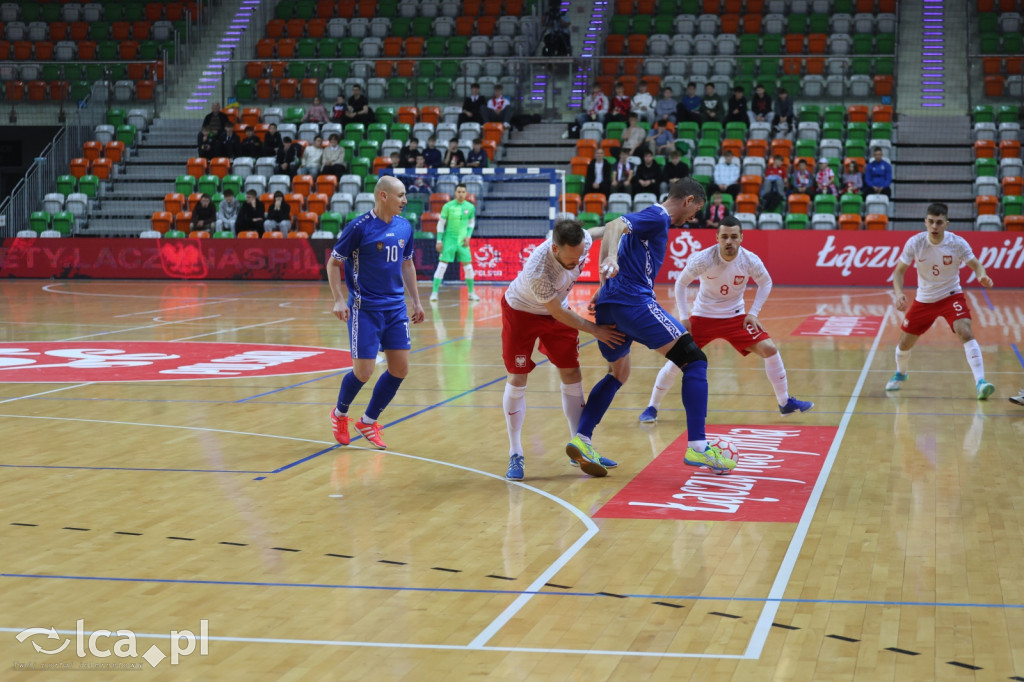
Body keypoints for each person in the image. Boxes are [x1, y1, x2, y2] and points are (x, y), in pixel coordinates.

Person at [566, 178, 736, 476]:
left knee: (619, 372)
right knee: (695, 361)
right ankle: (698, 447)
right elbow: (616, 224)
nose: (694, 216)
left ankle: (582, 440)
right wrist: (608, 258)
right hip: (633, 303)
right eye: (696, 208)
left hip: (612, 304)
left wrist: (602, 286)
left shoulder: (648, 220)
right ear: (688, 201)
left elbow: (607, 229)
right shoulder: (658, 215)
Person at [639, 216, 814, 423]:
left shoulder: (750, 260)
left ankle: (785, 403)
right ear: (717, 238)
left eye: (733, 237)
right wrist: (685, 318)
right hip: (703, 317)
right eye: (724, 237)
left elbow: (766, 283)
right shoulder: (703, 258)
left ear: (741, 237)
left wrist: (753, 313)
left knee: (770, 349)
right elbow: (680, 284)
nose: (728, 241)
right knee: (678, 359)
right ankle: (652, 407)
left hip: (735, 317)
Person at [500, 218, 627, 480]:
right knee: (518, 377)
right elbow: (557, 313)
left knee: (572, 373)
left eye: (580, 256)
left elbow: (609, 228)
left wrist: (619, 237)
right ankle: (516, 452)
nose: (577, 262)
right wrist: (596, 330)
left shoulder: (583, 241)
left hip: (557, 310)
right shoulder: (539, 269)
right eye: (572, 259)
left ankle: (580, 447)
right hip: (521, 312)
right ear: (555, 249)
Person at [328, 175, 424, 449]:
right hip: (364, 309)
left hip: (395, 309)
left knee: (400, 369)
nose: (405, 201)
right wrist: (338, 299)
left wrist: (416, 302)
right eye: (401, 195)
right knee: (363, 372)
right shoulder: (358, 228)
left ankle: (368, 422)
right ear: (383, 196)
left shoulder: (405, 227)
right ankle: (340, 414)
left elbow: (407, 265)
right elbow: (333, 264)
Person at [887, 203, 996, 400]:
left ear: (946, 223)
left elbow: (976, 264)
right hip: (924, 299)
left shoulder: (957, 243)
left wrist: (982, 275)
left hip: (950, 295)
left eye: (939, 222)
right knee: (904, 344)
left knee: (965, 330)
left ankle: (981, 382)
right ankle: (901, 373)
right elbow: (899, 272)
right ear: (925, 222)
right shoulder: (915, 243)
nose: (934, 226)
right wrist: (898, 293)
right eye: (931, 222)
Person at [430, 183, 480, 303]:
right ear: (455, 193)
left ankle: (471, 293)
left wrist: (468, 236)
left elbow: (471, 223)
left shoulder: (470, 207)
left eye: (463, 192)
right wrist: (439, 240)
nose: (461, 194)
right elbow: (441, 224)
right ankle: (434, 293)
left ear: (466, 193)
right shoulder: (448, 206)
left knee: (468, 267)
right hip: (449, 240)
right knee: (442, 266)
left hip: (462, 242)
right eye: (459, 192)